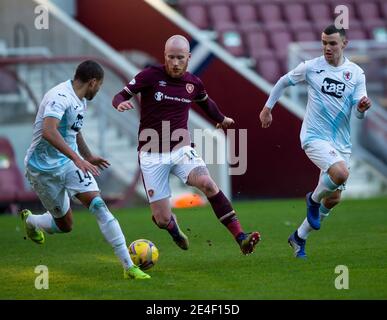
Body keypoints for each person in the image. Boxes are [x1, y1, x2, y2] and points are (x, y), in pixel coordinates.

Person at [112, 35, 260, 255]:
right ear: (165, 56)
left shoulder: (193, 83)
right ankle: (173, 228)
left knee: (208, 184)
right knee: (161, 219)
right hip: (152, 155)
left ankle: (241, 237)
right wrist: (120, 103)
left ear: (188, 57)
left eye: (180, 58)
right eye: (170, 57)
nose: (174, 62)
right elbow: (120, 94)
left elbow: (205, 103)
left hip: (181, 150)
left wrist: (221, 118)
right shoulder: (150, 76)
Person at [21, 60, 150, 280]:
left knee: (99, 205)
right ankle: (32, 221)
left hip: (69, 164)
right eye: (99, 86)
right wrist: (78, 159)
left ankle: (129, 267)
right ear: (92, 82)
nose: (99, 90)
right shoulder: (58, 97)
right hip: (41, 169)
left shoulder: (80, 100)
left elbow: (74, 131)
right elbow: (48, 131)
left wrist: (87, 156)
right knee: (65, 225)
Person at [259, 25, 372, 258]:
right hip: (314, 137)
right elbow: (283, 81)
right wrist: (268, 108)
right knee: (340, 174)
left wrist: (361, 108)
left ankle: (299, 237)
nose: (327, 48)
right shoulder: (311, 67)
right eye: (323, 43)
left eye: (332, 43)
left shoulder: (356, 73)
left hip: (341, 143)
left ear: (344, 44)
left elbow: (359, 111)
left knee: (333, 198)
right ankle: (312, 198)